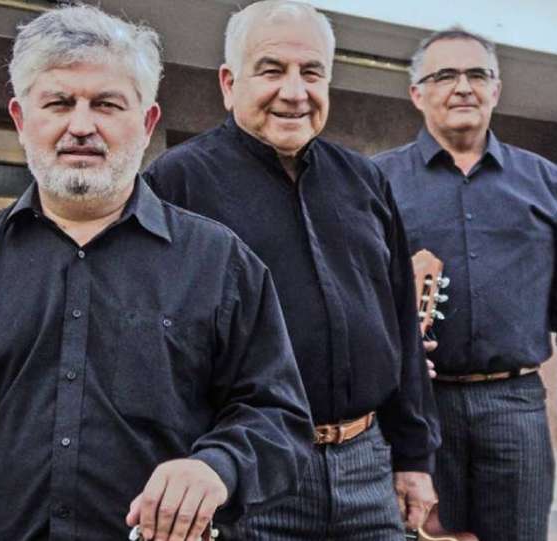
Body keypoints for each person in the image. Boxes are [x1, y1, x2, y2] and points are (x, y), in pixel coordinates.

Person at [0, 6, 314, 540]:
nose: (81, 126)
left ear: (146, 123)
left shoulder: (221, 264)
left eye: (106, 104)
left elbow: (279, 417)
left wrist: (218, 466)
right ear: (21, 118)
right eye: (59, 103)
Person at [143, 1, 440, 539]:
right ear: (229, 83)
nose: (295, 92)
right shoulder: (177, 183)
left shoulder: (365, 181)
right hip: (250, 476)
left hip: (367, 468)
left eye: (312, 72)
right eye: (272, 70)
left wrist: (414, 458)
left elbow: (401, 323)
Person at [373, 28, 557, 541]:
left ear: (496, 90)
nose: (463, 87)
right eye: (444, 76)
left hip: (516, 403)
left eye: (476, 75)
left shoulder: (546, 181)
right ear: (417, 93)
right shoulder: (376, 181)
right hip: (418, 407)